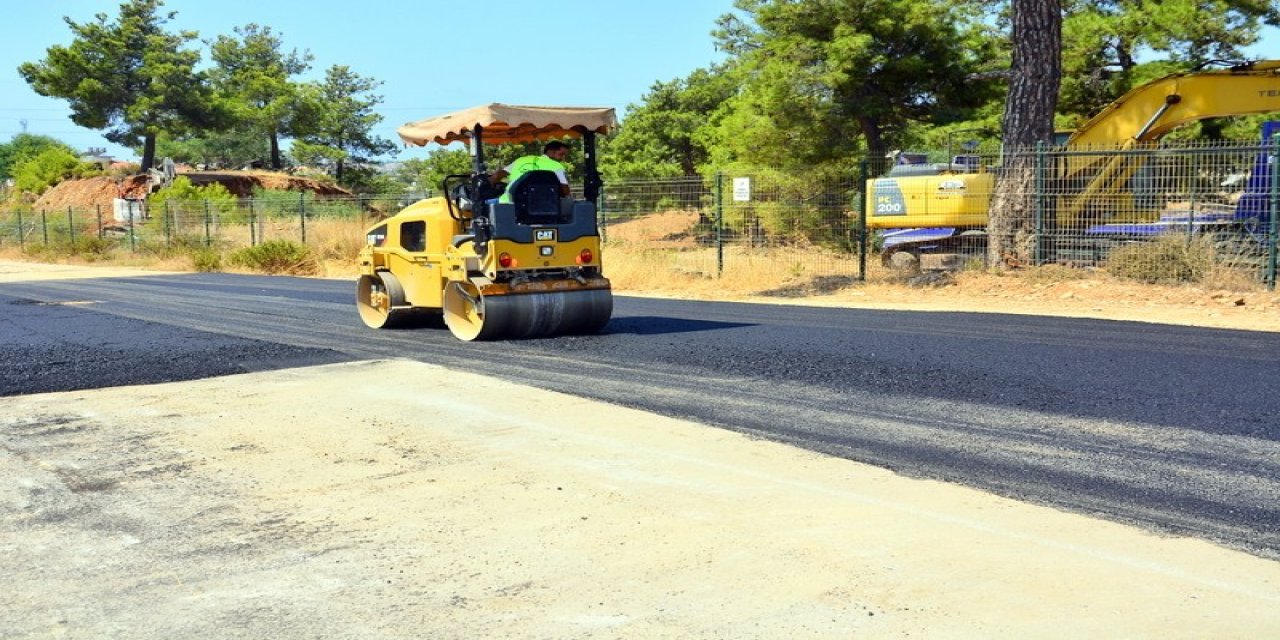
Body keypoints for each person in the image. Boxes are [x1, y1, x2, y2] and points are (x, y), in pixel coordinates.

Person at [489, 141, 571, 203]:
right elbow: (565, 191)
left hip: (510, 203)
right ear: (551, 151)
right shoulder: (556, 166)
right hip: (542, 206)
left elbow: (495, 177)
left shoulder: (521, 160)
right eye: (561, 154)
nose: (563, 158)